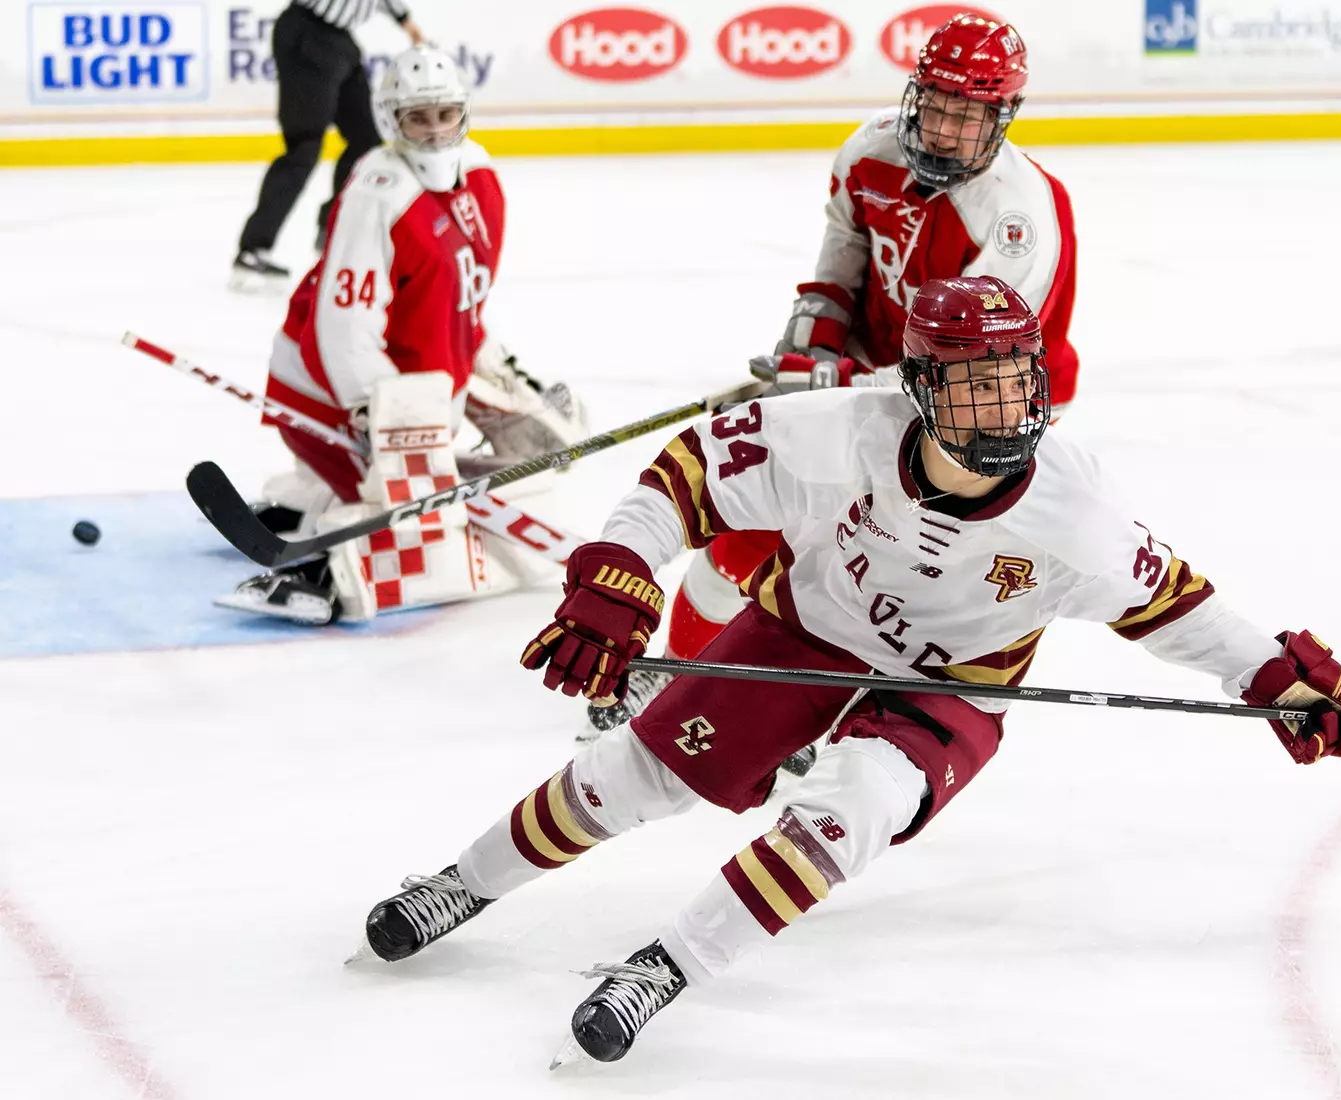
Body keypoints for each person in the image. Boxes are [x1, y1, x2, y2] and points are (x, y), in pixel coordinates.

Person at [356, 275, 1341, 1066]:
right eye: (976, 385)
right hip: (813, 624)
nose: (1004, 408)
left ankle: (664, 965)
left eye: (1015, 381)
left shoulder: (1078, 514)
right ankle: (459, 883)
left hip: (954, 683)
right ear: (923, 385)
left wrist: (1278, 680)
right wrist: (622, 560)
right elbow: (687, 472)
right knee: (632, 774)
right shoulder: (843, 429)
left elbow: (1181, 607)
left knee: (851, 811)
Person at [591, 14, 1080, 742]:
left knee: (883, 570)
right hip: (876, 374)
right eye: (937, 105)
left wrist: (831, 387)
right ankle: (681, 684)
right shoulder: (870, 150)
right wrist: (812, 352)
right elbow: (835, 273)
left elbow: (966, 380)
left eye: (968, 115)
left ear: (1003, 117)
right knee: (748, 534)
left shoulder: (1019, 220)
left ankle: (834, 711)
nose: (944, 130)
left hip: (982, 420)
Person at [217, 46, 587, 626]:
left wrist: (493, 373)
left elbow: (459, 302)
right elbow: (343, 328)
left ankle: (304, 502)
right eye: (419, 117)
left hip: (419, 386)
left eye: (446, 114)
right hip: (327, 387)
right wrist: (381, 415)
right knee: (411, 505)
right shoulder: (378, 191)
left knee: (544, 444)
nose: (436, 131)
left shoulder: (481, 176)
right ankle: (329, 564)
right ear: (393, 120)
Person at [231, 0, 426, 290]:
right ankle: (252, 249)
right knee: (304, 147)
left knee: (366, 141)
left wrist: (405, 21)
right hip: (307, 33)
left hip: (338, 40)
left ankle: (331, 225)